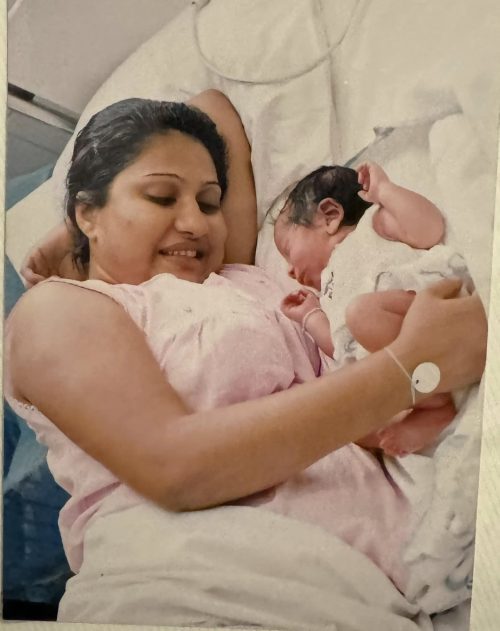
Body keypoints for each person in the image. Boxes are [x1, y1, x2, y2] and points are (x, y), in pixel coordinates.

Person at [7, 90, 487, 624]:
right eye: (161, 197)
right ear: (87, 211)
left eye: (209, 202)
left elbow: (214, 108)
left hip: (373, 601)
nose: (195, 222)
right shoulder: (59, 309)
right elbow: (174, 467)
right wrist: (410, 368)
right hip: (196, 593)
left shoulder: (235, 276)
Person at [274, 162, 472, 457]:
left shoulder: (372, 228)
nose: (289, 271)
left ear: (330, 216)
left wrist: (385, 191)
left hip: (428, 317)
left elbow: (430, 229)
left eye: (289, 251)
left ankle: (435, 402)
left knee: (361, 315)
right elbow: (342, 345)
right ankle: (418, 411)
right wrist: (311, 315)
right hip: (402, 368)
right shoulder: (329, 294)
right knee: (341, 417)